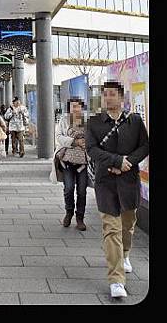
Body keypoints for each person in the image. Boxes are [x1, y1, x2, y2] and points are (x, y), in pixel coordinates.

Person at [86, 81, 149, 299]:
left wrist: (128, 162)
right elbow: (91, 149)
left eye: (112, 94)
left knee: (128, 225)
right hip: (105, 182)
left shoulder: (134, 121)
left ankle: (125, 254)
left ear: (121, 98)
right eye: (105, 95)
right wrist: (115, 161)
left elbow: (145, 146)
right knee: (111, 229)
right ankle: (116, 280)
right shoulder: (94, 122)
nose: (108, 98)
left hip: (129, 180)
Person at [50, 97, 89, 231]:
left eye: (77, 106)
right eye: (72, 106)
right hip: (67, 160)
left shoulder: (88, 122)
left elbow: (94, 138)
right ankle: (69, 212)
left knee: (82, 191)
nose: (75, 109)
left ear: (82, 107)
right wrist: (74, 142)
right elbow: (58, 137)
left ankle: (80, 218)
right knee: (69, 188)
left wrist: (85, 143)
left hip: (83, 162)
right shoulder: (64, 120)